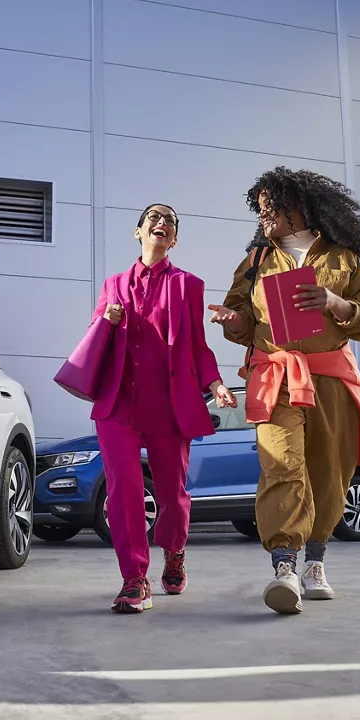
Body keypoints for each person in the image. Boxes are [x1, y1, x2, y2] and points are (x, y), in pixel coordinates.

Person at [208, 167, 360, 615]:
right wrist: (235, 323)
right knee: (282, 463)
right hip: (276, 378)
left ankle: (315, 562)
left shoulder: (343, 258)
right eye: (261, 208)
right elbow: (240, 315)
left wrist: (333, 303)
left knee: (330, 471)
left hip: (330, 376)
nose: (265, 215)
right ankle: (284, 565)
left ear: (300, 209)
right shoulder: (255, 261)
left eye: (273, 207)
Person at [91, 204, 236, 614]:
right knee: (124, 491)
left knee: (172, 493)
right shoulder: (113, 284)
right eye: (153, 217)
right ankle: (135, 578)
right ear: (138, 232)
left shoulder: (188, 285)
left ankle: (174, 551)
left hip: (168, 403)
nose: (161, 223)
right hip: (118, 401)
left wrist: (215, 382)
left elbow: (197, 346)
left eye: (170, 221)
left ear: (174, 239)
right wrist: (107, 317)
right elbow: (95, 337)